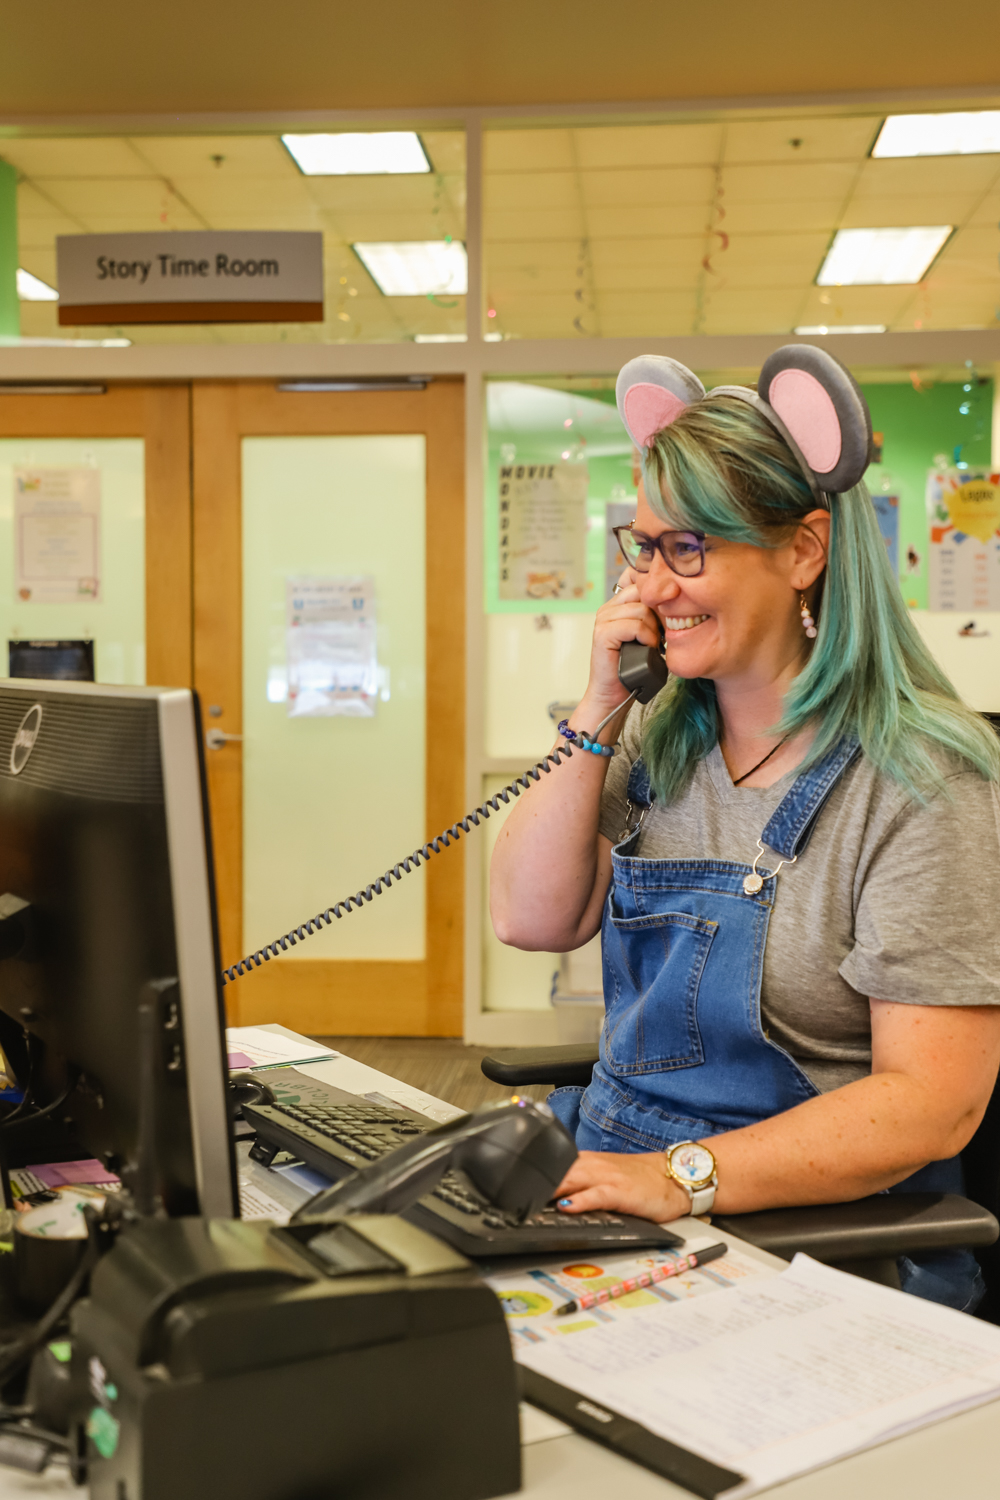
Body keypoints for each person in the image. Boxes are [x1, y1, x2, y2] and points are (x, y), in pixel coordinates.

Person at [490, 346, 1000, 1311]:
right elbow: (529, 917)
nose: (650, 588)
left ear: (804, 550)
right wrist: (597, 708)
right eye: (642, 548)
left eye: (689, 549)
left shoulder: (926, 778)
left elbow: (937, 1102)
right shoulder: (654, 736)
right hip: (616, 1182)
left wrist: (680, 1176)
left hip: (820, 1239)